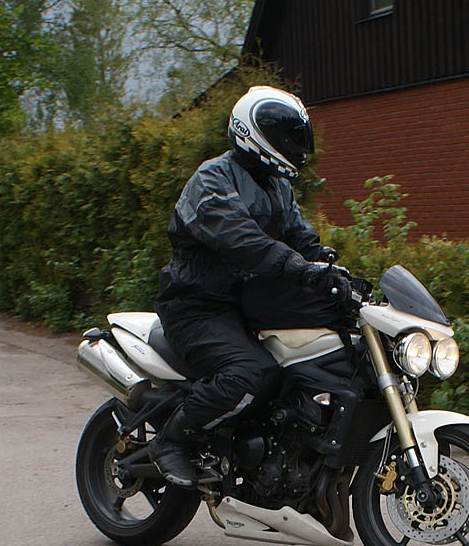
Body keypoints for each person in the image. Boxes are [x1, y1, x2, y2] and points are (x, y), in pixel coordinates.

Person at [148, 86, 363, 488]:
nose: (294, 147)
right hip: (197, 306)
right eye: (286, 137)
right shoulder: (212, 180)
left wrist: (333, 272)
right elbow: (242, 240)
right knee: (251, 372)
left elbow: (302, 239)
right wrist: (299, 269)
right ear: (254, 133)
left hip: (251, 306)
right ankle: (171, 441)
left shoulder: (277, 187)